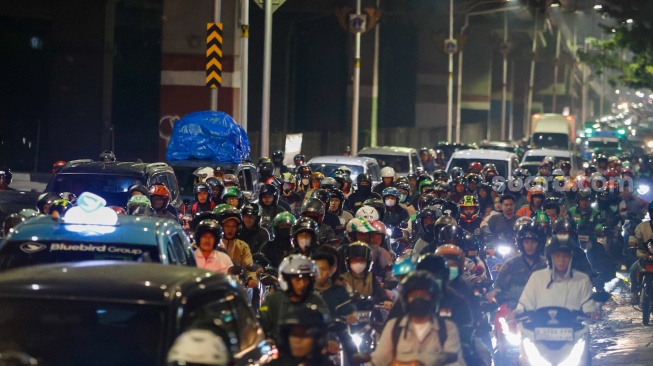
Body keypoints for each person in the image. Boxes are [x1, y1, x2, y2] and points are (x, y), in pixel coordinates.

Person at [371, 271, 465, 366]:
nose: (419, 300)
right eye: (414, 296)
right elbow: (379, 359)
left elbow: (456, 362)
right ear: (406, 300)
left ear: (433, 299)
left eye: (424, 295)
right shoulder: (393, 327)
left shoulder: (448, 329)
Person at [515, 235, 598, 319]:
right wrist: (515, 313)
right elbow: (524, 305)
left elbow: (588, 306)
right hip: (540, 329)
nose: (561, 260)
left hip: (574, 329)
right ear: (551, 258)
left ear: (571, 258)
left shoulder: (582, 279)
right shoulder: (537, 277)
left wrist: (591, 313)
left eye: (565, 256)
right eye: (557, 256)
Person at [259, 254, 330, 343]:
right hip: (280, 351)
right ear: (286, 280)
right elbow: (261, 324)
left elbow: (327, 324)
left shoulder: (315, 299)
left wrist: (331, 341)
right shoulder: (272, 300)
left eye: (306, 279)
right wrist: (265, 340)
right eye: (297, 280)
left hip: (311, 350)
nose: (302, 284)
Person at [487, 224, 547, 305]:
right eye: (526, 242)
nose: (530, 246)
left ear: (540, 244)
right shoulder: (510, 265)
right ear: (521, 243)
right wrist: (493, 296)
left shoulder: (547, 265)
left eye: (533, 242)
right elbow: (499, 288)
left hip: (542, 310)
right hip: (513, 311)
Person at [340, 242, 393, 308]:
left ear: (368, 262)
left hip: (370, 312)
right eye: (354, 260)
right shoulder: (342, 279)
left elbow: (380, 291)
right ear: (348, 262)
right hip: (348, 313)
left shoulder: (371, 277)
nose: (358, 263)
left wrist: (386, 300)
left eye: (362, 260)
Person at [216, 208, 258, 287]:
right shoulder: (215, 244)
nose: (230, 230)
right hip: (216, 283)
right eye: (227, 226)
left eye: (234, 226)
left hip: (236, 285)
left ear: (238, 228)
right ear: (221, 227)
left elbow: (248, 265)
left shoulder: (243, 246)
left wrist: (251, 278)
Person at [628, 202, 653, 304]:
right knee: (633, 270)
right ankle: (634, 293)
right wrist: (632, 242)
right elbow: (635, 236)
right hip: (645, 256)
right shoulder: (642, 226)